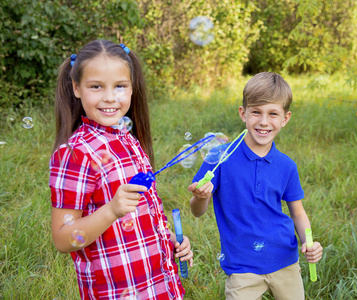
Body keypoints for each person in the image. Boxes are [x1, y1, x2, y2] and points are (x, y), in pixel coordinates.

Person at [49, 40, 193, 300]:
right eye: (96, 86)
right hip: (117, 292)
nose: (109, 97)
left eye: (120, 86)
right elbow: (62, 239)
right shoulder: (75, 154)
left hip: (159, 287)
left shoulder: (129, 140)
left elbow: (141, 218)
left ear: (131, 88)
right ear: (76, 88)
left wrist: (170, 240)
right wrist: (111, 210)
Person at [188, 72, 323, 300]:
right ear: (243, 113)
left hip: (285, 260)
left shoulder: (286, 166)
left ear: (285, 118)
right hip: (242, 267)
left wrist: (308, 243)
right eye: (256, 112)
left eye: (273, 114)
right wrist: (201, 197)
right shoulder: (221, 157)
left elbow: (297, 212)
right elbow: (197, 211)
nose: (263, 121)